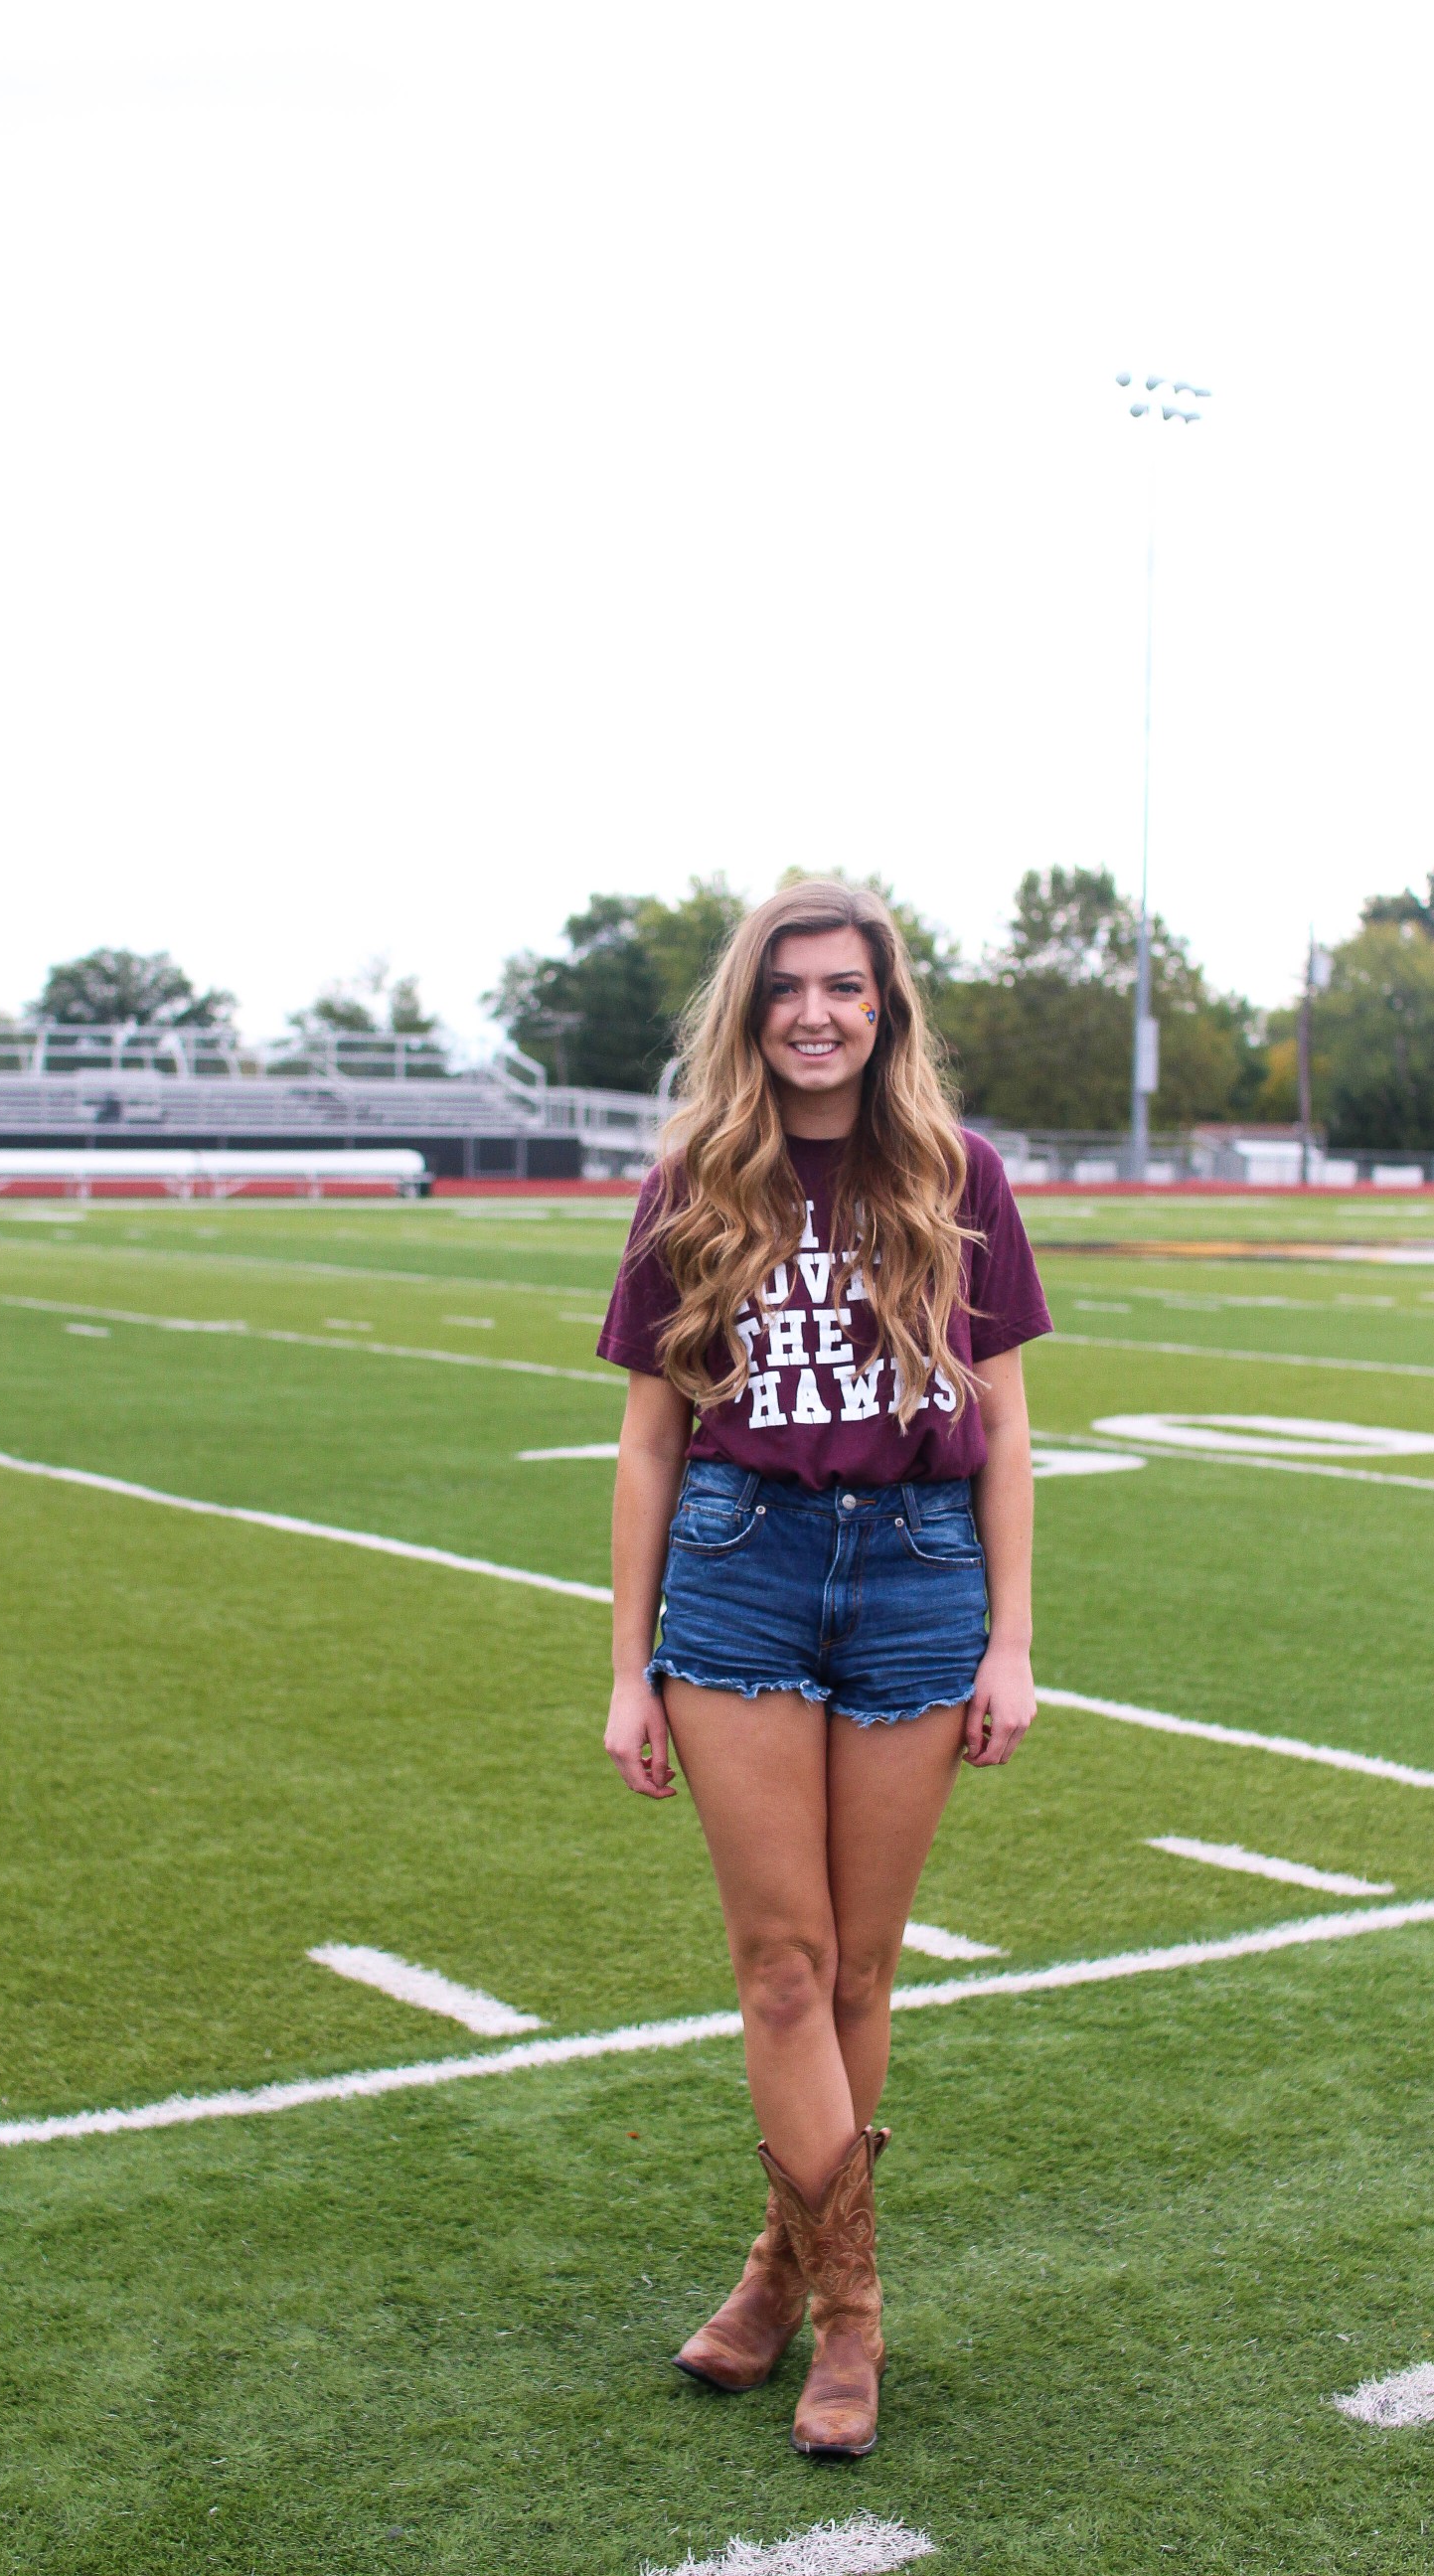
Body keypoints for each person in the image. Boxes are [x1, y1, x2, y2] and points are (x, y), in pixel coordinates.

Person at [597, 880, 1051, 2459]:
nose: (814, 1012)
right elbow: (651, 1448)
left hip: (922, 1580)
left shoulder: (956, 1174)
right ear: (751, 1008)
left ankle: (775, 2275)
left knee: (862, 1967)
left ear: (884, 1007)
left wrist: (1011, 1641)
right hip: (741, 1571)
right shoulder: (693, 1184)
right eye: (786, 987)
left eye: (844, 987)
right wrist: (624, 1668)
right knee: (783, 1961)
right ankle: (851, 2323)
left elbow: (1003, 1434)